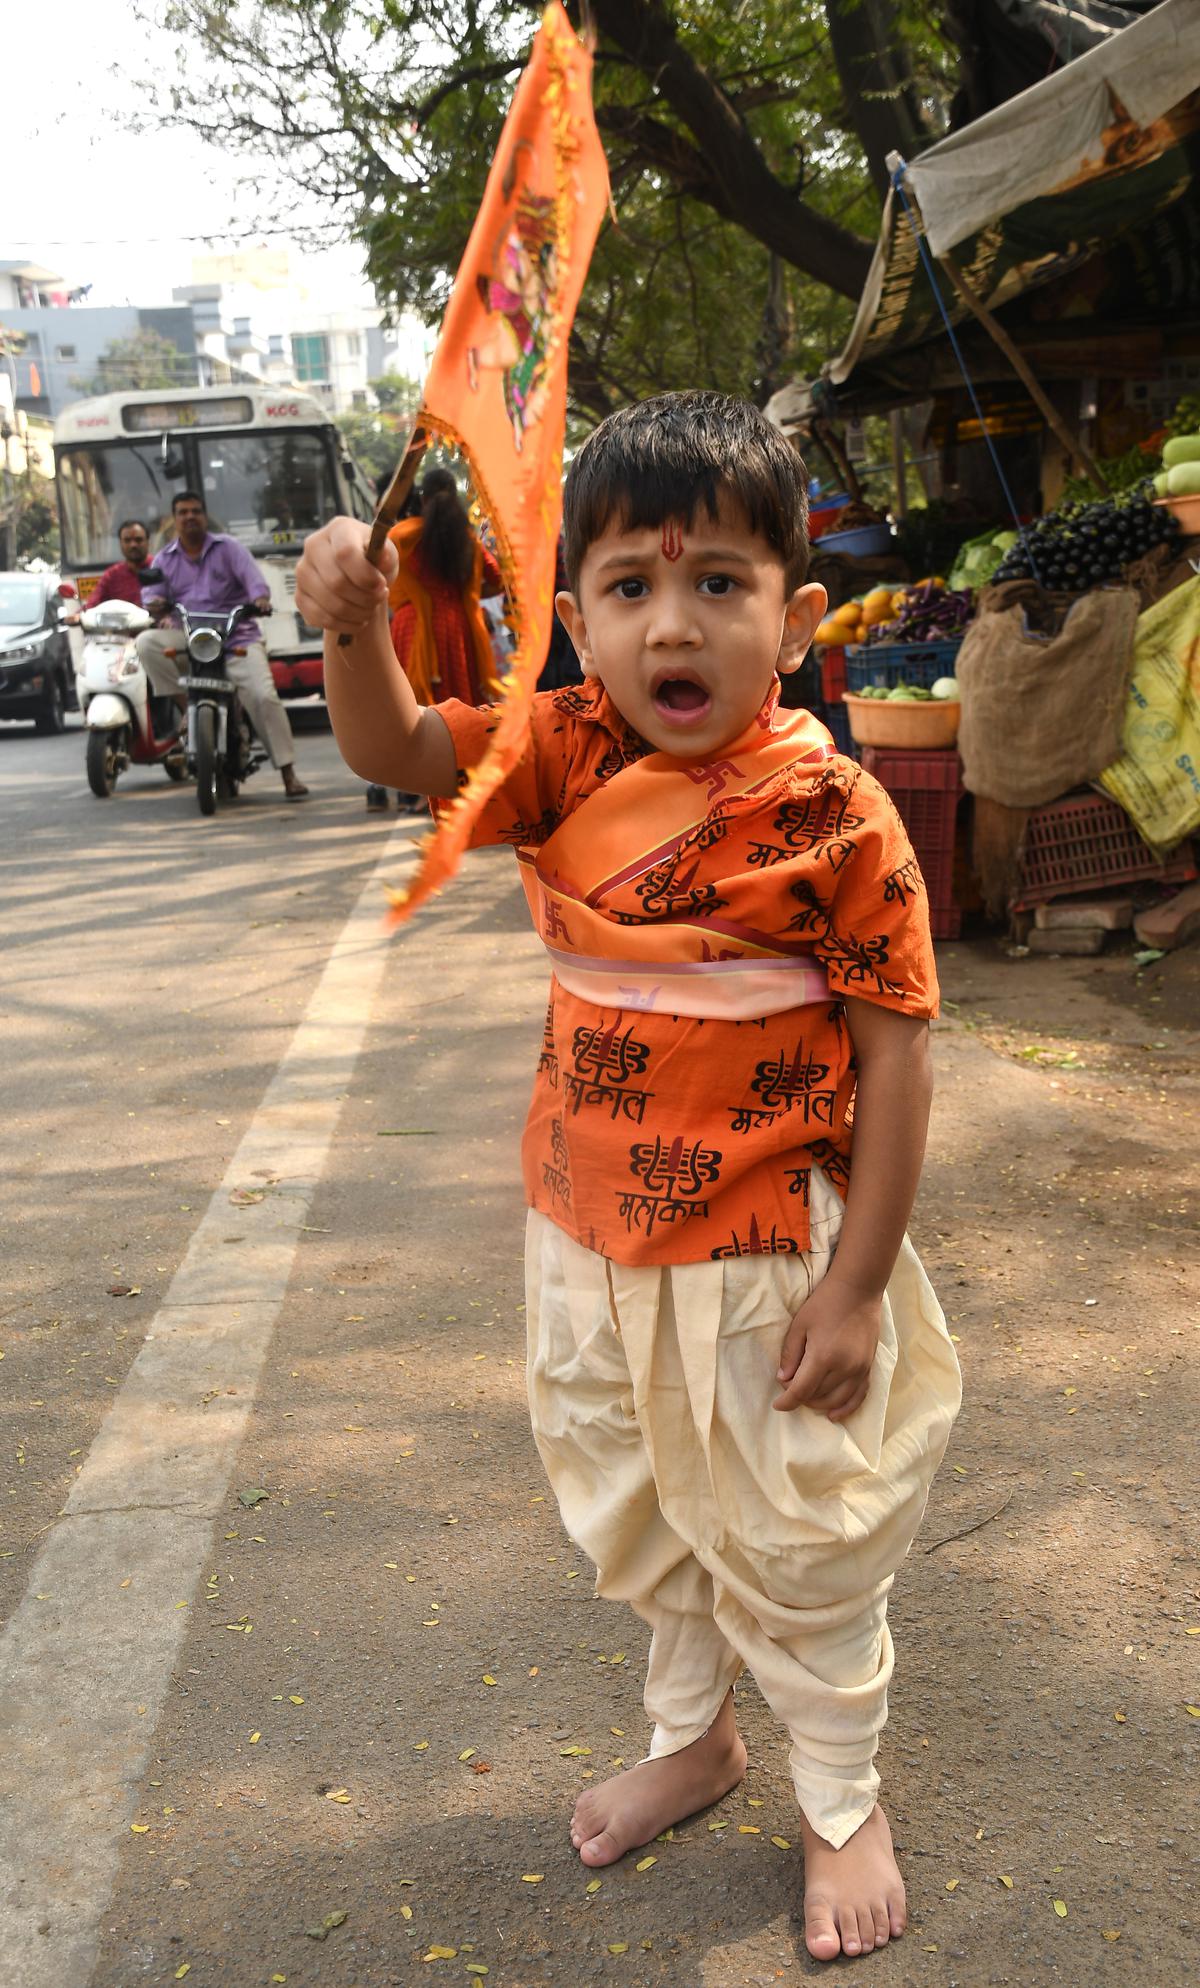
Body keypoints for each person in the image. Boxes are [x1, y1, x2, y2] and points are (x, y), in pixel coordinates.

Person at [294, 391, 961, 1964]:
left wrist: (858, 1289)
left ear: (796, 618)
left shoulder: (839, 814)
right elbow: (393, 746)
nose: (676, 623)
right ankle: (697, 1735)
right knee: (644, 1509)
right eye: (631, 588)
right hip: (587, 1245)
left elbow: (901, 1060)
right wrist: (350, 624)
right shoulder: (554, 751)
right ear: (574, 616)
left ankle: (840, 1792)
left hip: (765, 1260)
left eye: (719, 584)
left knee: (796, 1532)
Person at [138, 491, 308, 800]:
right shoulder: (165, 558)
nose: (190, 517)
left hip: (235, 638)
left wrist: (260, 599)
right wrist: (156, 604)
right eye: (183, 513)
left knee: (263, 696)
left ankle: (288, 774)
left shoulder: (229, 548)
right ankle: (184, 710)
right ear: (174, 520)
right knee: (147, 643)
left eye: (195, 511)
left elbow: (256, 584)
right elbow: (151, 595)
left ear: (204, 516)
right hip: (190, 640)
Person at [364, 467, 505, 813]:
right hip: (461, 630)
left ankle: (411, 790)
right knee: (461, 704)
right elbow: (496, 580)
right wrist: (467, 592)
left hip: (414, 629)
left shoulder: (405, 535)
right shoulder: (468, 540)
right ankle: (460, 785)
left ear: (422, 499)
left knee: (409, 706)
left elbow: (375, 557)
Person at [85, 519, 154, 607]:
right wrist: (78, 615)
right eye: (127, 540)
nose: (133, 545)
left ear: (148, 542)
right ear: (120, 543)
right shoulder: (112, 575)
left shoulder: (161, 567)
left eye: (138, 540)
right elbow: (92, 604)